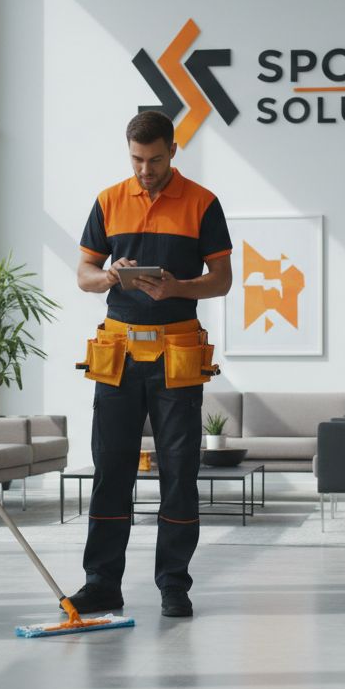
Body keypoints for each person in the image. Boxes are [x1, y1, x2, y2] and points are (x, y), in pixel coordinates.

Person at [69, 111, 233, 618]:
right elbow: (83, 274)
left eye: (155, 160)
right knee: (110, 470)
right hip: (117, 353)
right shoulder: (108, 200)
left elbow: (222, 279)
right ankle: (101, 583)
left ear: (173, 151)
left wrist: (179, 286)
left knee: (179, 473)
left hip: (176, 354)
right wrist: (110, 276)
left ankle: (173, 584)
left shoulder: (203, 203)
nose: (146, 170)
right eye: (137, 160)